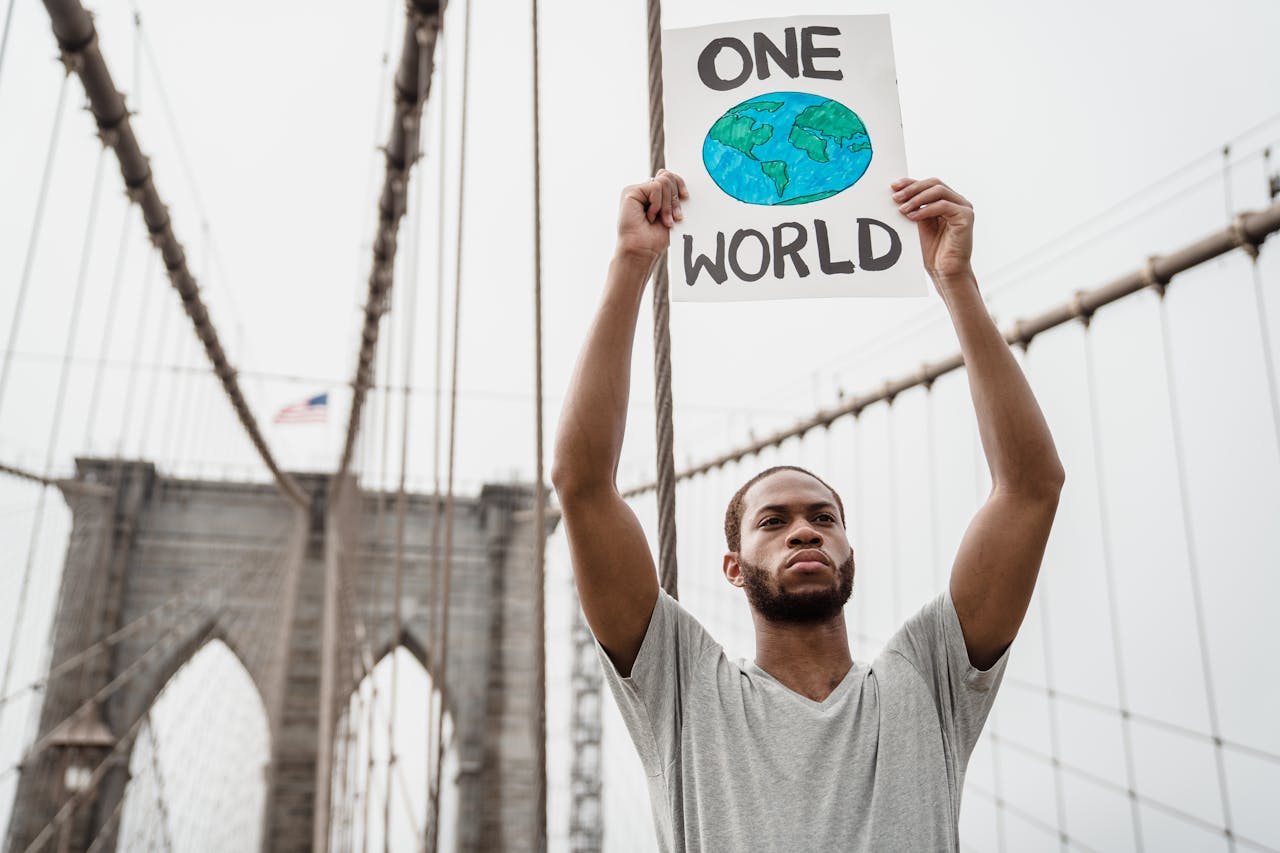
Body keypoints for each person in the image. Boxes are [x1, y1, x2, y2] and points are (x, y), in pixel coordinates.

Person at [551, 169, 1065, 852]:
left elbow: (1030, 488)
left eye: (825, 518)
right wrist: (631, 263)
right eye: (774, 520)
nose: (804, 530)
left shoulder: (927, 680)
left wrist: (956, 284)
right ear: (732, 567)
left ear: (851, 552)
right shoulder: (683, 686)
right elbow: (583, 484)